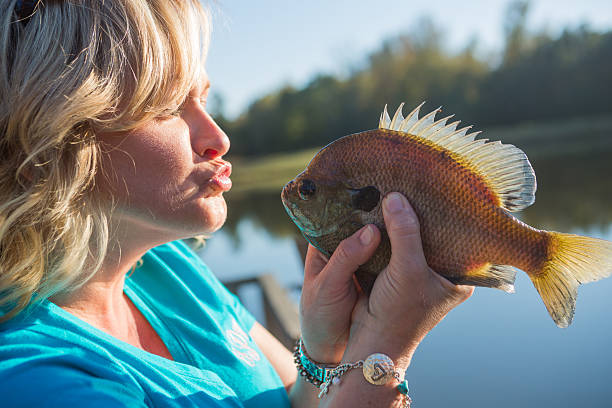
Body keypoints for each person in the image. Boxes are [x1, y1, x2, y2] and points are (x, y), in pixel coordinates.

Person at [0, 1, 473, 407]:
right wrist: (384, 350)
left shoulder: (167, 267)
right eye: (167, 106)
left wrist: (325, 350)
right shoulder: (41, 382)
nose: (217, 138)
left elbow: (299, 400)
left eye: (202, 98)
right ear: (52, 145)